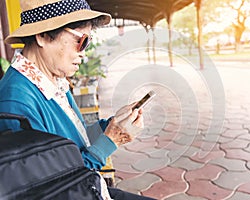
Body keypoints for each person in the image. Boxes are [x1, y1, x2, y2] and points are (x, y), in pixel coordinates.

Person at [0, 0, 155, 199]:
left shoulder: (51, 80)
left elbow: (72, 143)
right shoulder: (16, 104)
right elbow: (57, 186)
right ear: (43, 35)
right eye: (81, 41)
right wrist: (110, 141)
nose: (83, 53)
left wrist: (112, 126)